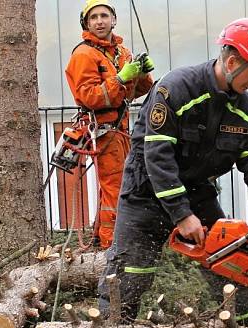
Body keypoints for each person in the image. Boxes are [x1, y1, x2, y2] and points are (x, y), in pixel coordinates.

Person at [98, 17, 248, 323]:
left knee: (234, 267)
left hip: (198, 193)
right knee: (128, 279)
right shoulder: (177, 89)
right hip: (146, 194)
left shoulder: (247, 110)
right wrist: (181, 215)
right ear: (233, 61)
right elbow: (157, 157)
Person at [65, 0, 154, 249]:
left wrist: (143, 75)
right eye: (94, 17)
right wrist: (120, 78)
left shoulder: (121, 52)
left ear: (113, 20)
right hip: (104, 131)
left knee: (117, 187)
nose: (100, 21)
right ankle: (114, 246)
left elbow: (133, 92)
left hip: (120, 130)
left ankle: (104, 239)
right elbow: (89, 96)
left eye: (104, 15)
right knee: (116, 188)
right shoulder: (84, 54)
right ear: (86, 23)